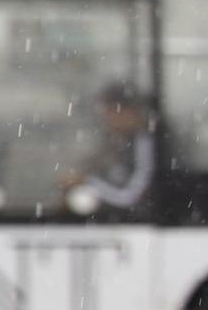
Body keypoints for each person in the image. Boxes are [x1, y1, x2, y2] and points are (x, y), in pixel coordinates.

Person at [60, 80, 158, 212]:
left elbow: (132, 197)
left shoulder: (146, 143)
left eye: (112, 112)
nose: (107, 119)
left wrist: (87, 181)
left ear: (131, 112)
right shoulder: (119, 142)